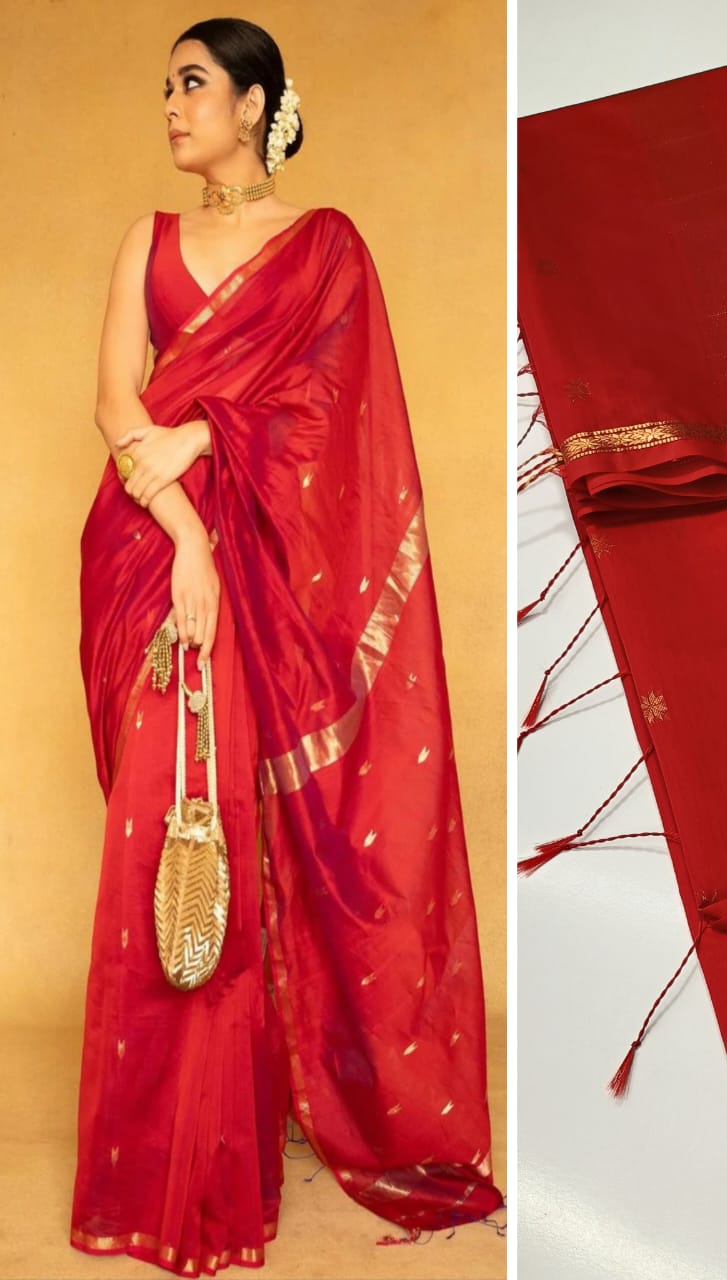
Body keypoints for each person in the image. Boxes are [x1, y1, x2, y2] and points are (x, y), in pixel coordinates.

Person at [74, 18, 501, 1275]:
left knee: (228, 819)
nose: (171, 106)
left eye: (193, 84)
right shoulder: (146, 240)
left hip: (269, 554)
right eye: (165, 87)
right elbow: (113, 403)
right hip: (152, 553)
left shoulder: (323, 247)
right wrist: (185, 534)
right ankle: (153, 1149)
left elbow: (328, 413)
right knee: (167, 822)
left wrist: (205, 437)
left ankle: (236, 1134)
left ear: (256, 103)